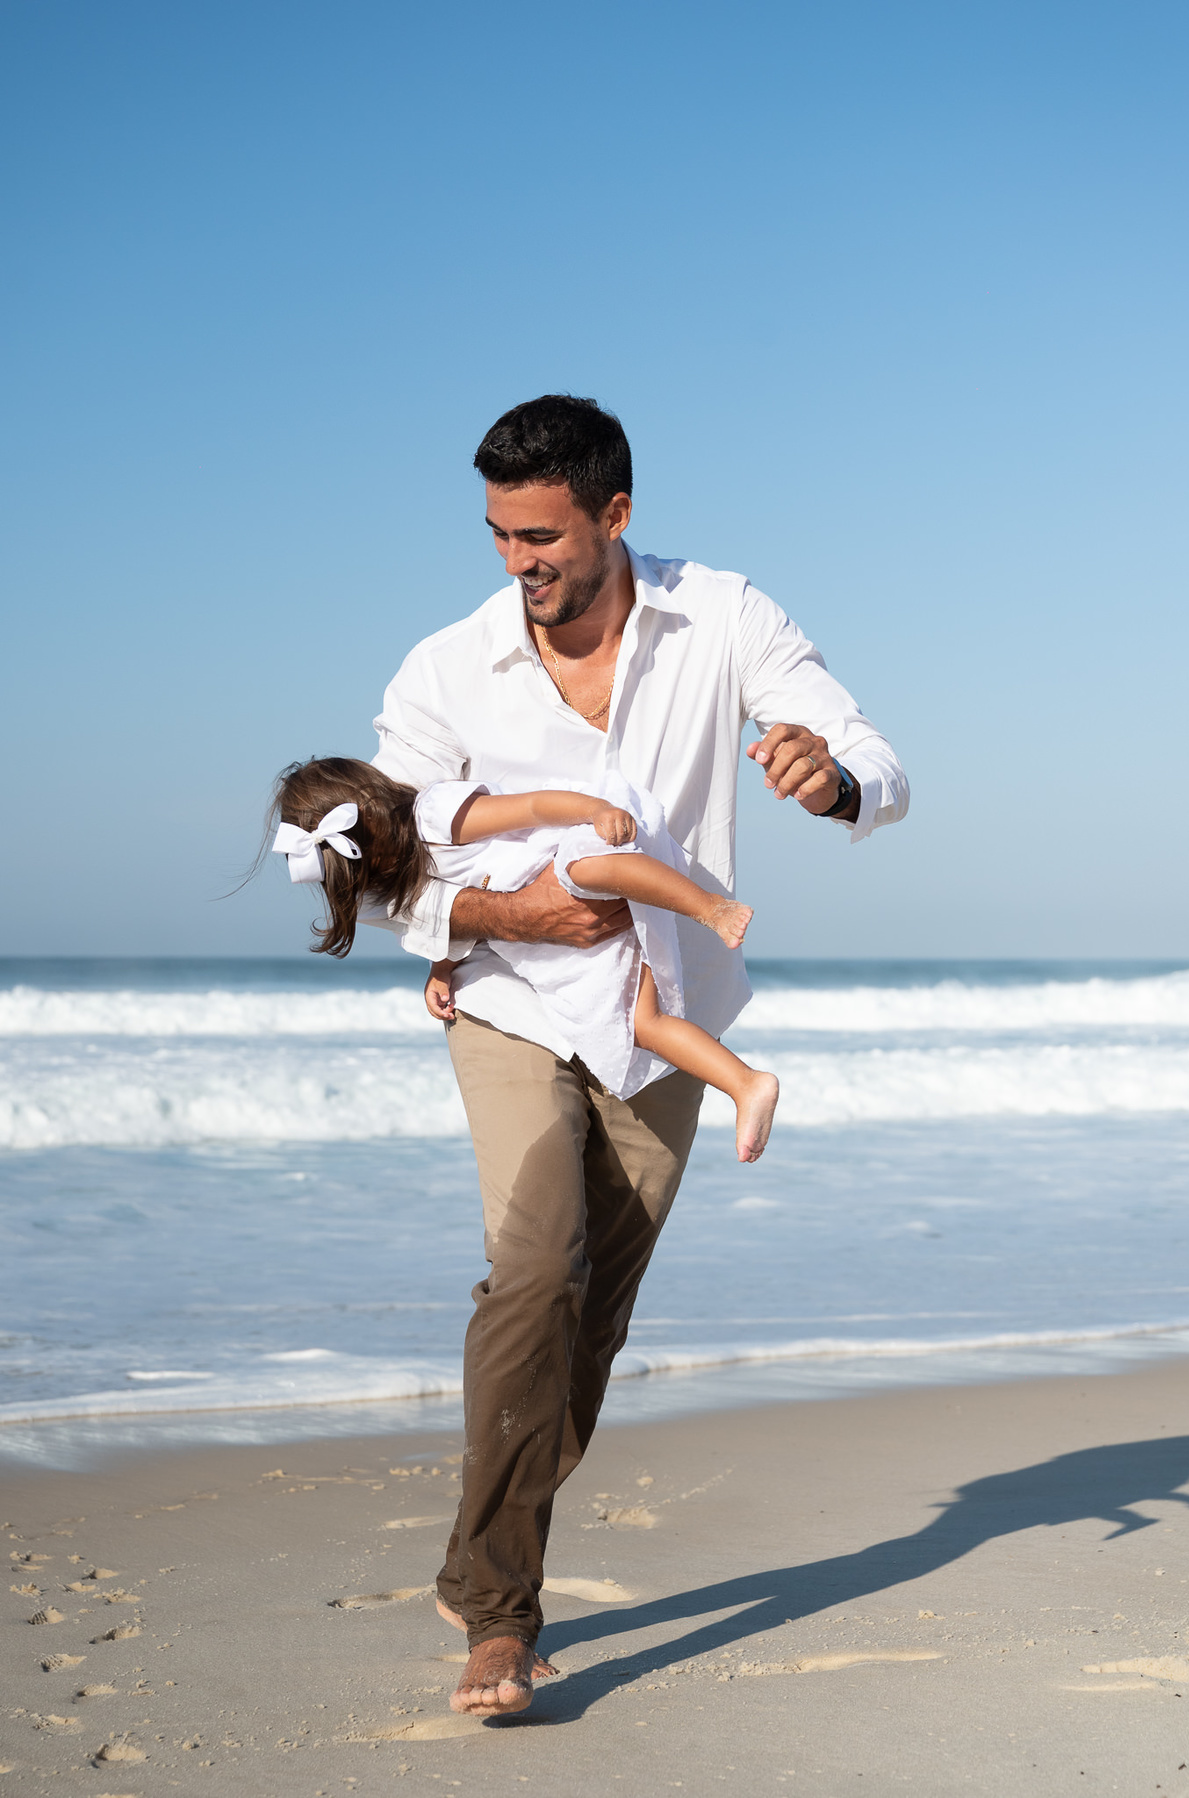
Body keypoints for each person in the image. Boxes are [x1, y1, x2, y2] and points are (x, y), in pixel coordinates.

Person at [369, 394, 909, 1717]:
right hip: (512, 999)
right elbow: (379, 867)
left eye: (544, 535)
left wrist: (824, 774)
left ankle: (474, 1555)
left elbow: (876, 758)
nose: (520, 564)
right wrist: (500, 915)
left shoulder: (721, 616)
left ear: (615, 515)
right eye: (500, 536)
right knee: (534, 1266)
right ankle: (501, 1618)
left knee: (589, 1325)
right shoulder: (445, 668)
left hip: (666, 1017)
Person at [269, 759, 779, 1160]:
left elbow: (533, 808)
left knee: (583, 867)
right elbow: (451, 915)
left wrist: (595, 810)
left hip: (586, 843)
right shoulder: (404, 877)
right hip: (591, 919)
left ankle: (710, 908)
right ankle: (746, 1084)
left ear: (373, 810)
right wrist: (440, 968)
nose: (373, 870)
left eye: (364, 854)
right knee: (643, 1025)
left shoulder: (434, 815)